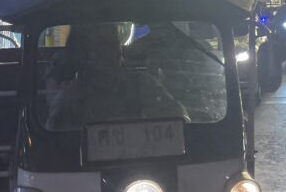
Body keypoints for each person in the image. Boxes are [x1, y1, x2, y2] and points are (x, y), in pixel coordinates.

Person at [47, 23, 184, 130]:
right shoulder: (67, 104)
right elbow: (55, 151)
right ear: (82, 53)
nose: (113, 50)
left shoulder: (143, 86)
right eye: (102, 44)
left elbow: (180, 122)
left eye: (114, 42)